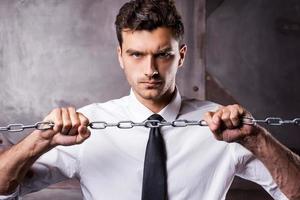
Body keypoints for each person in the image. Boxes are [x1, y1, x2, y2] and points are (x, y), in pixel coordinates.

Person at [0, 0, 299, 199]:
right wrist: (40, 141)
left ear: (180, 56)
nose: (151, 70)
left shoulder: (223, 126)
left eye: (163, 55)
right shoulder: (86, 126)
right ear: (120, 56)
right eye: (136, 55)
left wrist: (258, 140)